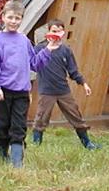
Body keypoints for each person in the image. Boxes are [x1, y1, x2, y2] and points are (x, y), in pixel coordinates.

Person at [0, 0, 58, 168]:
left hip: (21, 93)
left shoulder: (24, 40)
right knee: (3, 126)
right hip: (2, 91)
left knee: (19, 127)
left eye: (17, 18)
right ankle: (3, 153)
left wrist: (48, 50)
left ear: (21, 19)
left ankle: (17, 164)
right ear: (3, 17)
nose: (14, 21)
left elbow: (35, 63)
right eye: (10, 17)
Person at [30, 19, 101, 150]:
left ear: (63, 32)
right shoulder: (39, 48)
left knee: (76, 116)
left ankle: (87, 144)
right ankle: (36, 146)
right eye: (54, 31)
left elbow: (73, 71)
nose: (56, 34)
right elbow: (31, 65)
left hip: (63, 90)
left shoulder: (66, 50)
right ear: (48, 32)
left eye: (59, 31)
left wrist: (84, 84)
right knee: (41, 118)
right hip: (46, 91)